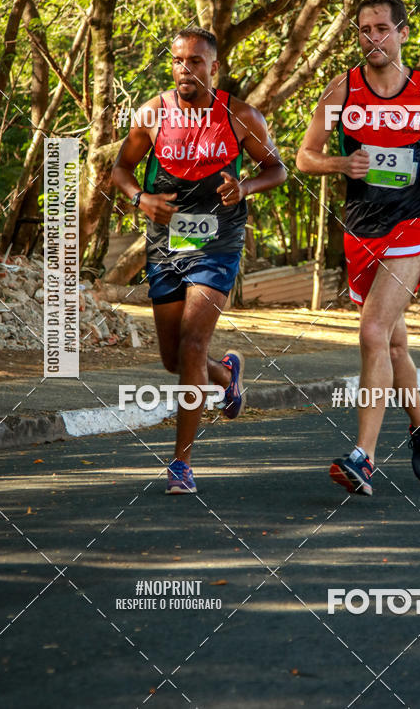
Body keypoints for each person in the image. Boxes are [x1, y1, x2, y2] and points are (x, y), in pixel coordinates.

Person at [296, 0, 420, 495]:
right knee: (395, 342)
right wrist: (341, 164)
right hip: (361, 227)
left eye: (381, 28)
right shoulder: (342, 92)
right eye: (364, 30)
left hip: (414, 222)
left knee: (373, 332)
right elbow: (305, 157)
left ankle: (364, 456)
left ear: (401, 33)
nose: (372, 38)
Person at [112, 27, 286, 494]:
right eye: (177, 61)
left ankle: (180, 465)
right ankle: (226, 374)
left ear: (214, 66)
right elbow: (121, 169)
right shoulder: (152, 113)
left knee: (192, 345)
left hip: (218, 242)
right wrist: (140, 198)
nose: (184, 69)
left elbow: (277, 168)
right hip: (165, 245)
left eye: (194, 61)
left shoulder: (240, 115)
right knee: (173, 360)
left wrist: (244, 187)